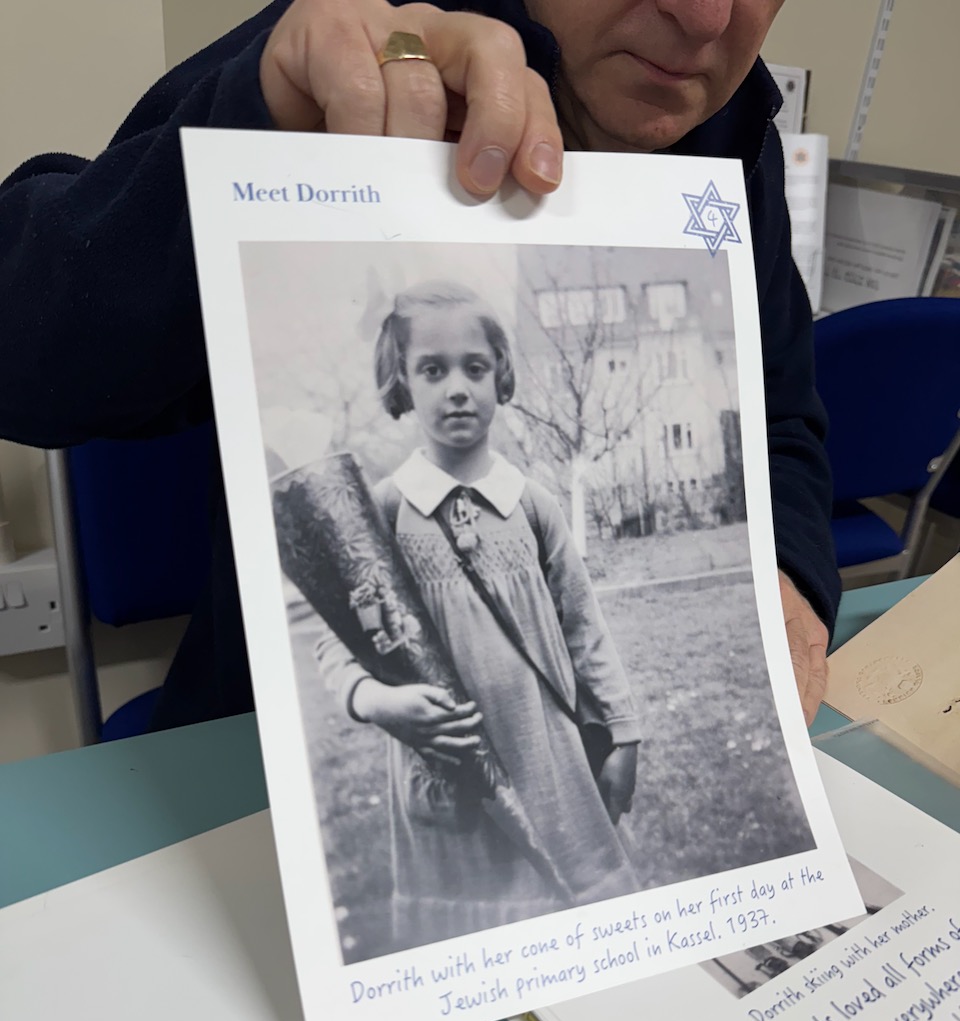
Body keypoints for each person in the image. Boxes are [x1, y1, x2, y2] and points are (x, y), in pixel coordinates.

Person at [0, 0, 835, 734]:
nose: (706, 16)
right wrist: (254, 125)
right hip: (261, 776)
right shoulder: (369, 47)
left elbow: (778, 413)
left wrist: (789, 570)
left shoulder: (736, 136)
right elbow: (28, 363)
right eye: (436, 371)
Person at [314, 281, 641, 948]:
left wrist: (624, 736)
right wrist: (377, 701)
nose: (457, 389)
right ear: (402, 383)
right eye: (432, 370)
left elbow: (585, 629)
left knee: (574, 931)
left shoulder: (533, 505)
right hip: (447, 772)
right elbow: (334, 643)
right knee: (474, 949)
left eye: (475, 367)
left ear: (501, 376)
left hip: (548, 762)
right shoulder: (383, 512)